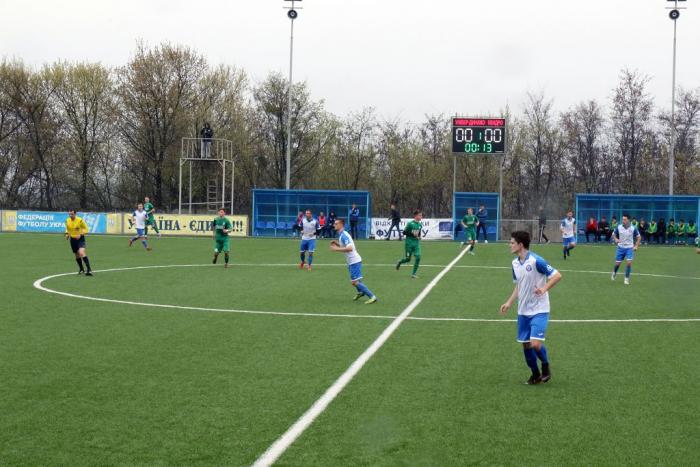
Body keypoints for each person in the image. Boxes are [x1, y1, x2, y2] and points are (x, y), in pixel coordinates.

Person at [499, 231, 561, 385]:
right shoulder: (514, 263)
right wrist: (509, 302)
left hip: (540, 309)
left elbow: (557, 275)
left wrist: (544, 288)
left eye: (512, 242)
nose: (509, 245)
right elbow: (519, 286)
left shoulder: (536, 260)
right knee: (526, 344)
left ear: (520, 245)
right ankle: (535, 374)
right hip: (523, 310)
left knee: (535, 344)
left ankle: (545, 365)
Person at [330, 218, 377, 304]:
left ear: (341, 225)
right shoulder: (342, 235)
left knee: (354, 282)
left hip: (354, 261)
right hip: (351, 262)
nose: (334, 225)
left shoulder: (344, 235)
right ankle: (361, 292)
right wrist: (337, 243)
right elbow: (345, 245)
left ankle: (372, 296)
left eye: (336, 224)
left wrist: (336, 249)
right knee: (356, 280)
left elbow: (350, 248)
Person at [611, 214, 641, 286]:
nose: (623, 221)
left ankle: (626, 279)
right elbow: (613, 234)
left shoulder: (633, 228)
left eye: (625, 219)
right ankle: (614, 272)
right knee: (617, 264)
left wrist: (636, 246)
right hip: (620, 248)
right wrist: (616, 239)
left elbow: (639, 237)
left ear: (628, 220)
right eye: (622, 219)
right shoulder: (619, 227)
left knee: (629, 263)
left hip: (629, 248)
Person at [65, 209, 93, 276]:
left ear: (75, 214)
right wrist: (67, 234)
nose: (70, 215)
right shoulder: (67, 220)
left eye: (72, 214)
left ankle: (89, 269)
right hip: (72, 239)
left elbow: (86, 229)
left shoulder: (80, 220)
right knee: (77, 255)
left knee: (81, 253)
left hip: (80, 239)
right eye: (69, 214)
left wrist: (80, 234)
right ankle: (81, 269)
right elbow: (67, 229)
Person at [396, 209, 423, 279]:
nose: (421, 217)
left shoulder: (420, 225)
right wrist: (413, 234)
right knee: (408, 259)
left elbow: (418, 233)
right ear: (416, 216)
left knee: (418, 257)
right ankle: (400, 262)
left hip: (416, 243)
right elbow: (404, 232)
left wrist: (419, 237)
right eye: (420, 215)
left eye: (421, 215)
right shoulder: (410, 224)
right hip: (409, 243)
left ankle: (413, 274)